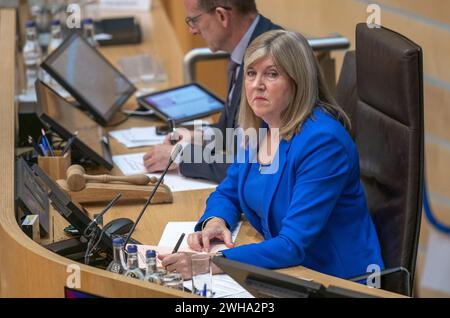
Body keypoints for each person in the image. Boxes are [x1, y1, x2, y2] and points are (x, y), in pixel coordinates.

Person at [159, 30, 384, 280]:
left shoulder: (323, 143)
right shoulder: (263, 126)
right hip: (286, 269)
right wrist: (215, 221)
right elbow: (229, 190)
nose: (257, 85)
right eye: (251, 73)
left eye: (272, 74)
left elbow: (292, 245)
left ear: (298, 81)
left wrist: (210, 263)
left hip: (333, 279)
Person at [143, 0, 282, 183]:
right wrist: (202, 137)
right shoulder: (245, 50)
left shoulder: (272, 62)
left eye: (194, 20)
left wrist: (182, 156)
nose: (193, 30)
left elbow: (257, 166)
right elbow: (240, 134)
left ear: (222, 16)